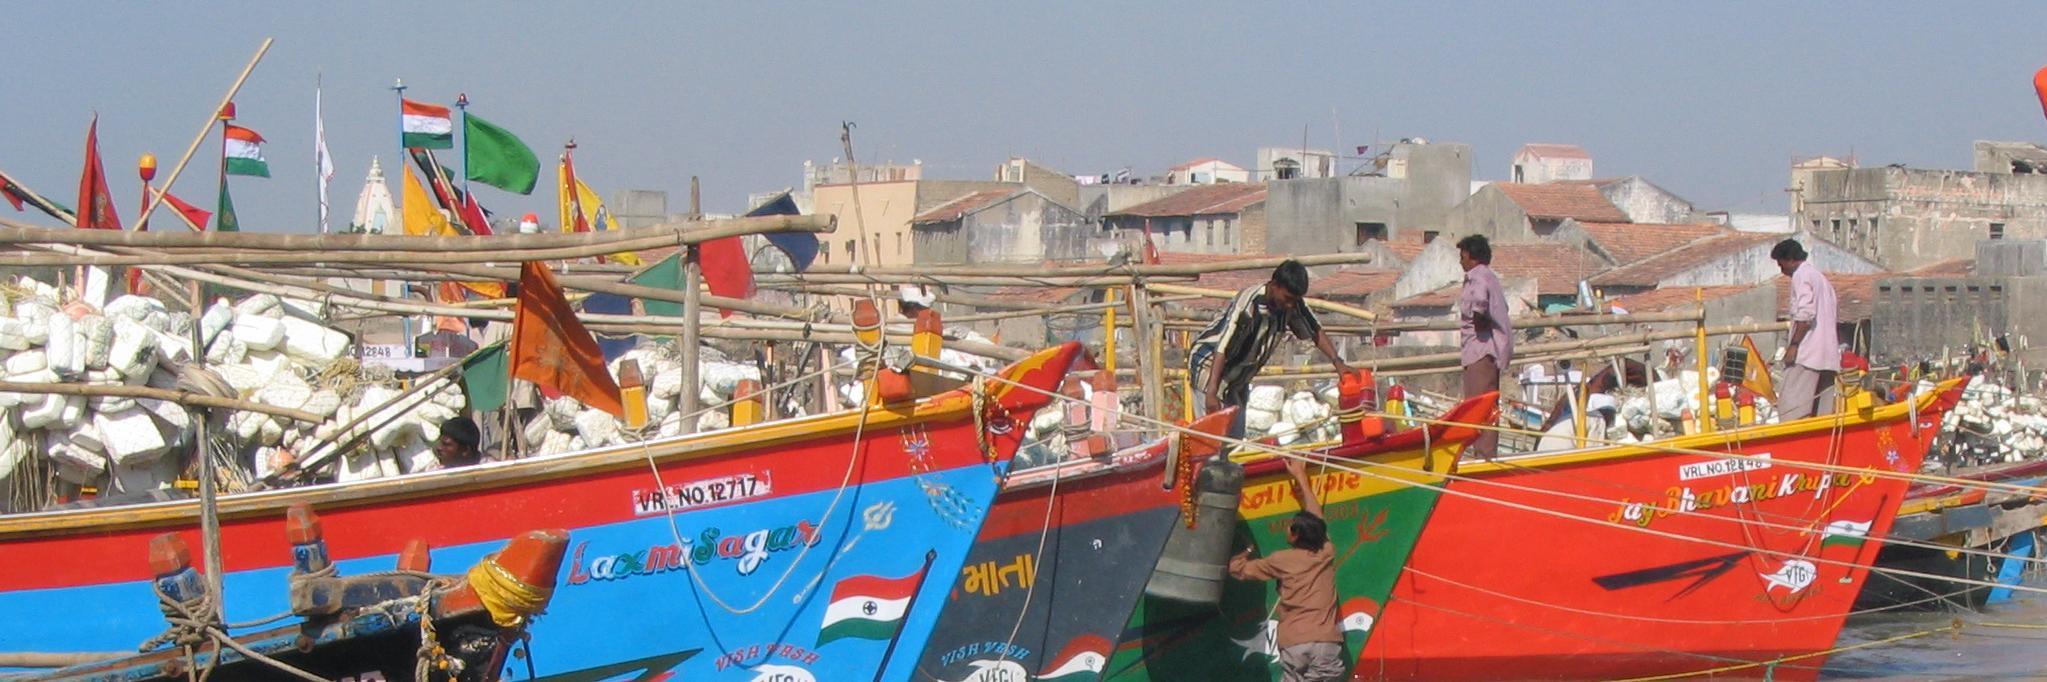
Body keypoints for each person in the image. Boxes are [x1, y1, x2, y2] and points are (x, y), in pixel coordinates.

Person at [1190, 260, 1353, 436]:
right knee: (1212, 440)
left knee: (1234, 440)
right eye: (1287, 299)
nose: (1290, 305)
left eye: (1294, 301)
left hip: (1238, 378)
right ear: (1275, 285)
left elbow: (1314, 330)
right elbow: (1222, 347)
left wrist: (1338, 362)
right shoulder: (1248, 303)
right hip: (1209, 367)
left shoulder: (1292, 304)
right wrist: (1211, 392)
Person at [1229, 457, 1343, 682]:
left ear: (1295, 536)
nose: (1288, 528)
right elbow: (1317, 519)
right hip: (1325, 642)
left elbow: (1237, 570)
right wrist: (1301, 477)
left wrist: (1246, 549)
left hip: (1293, 644)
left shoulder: (1280, 560)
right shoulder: (1326, 552)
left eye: (1291, 527)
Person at [1456, 235, 1513, 458]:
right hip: (1479, 350)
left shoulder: (1478, 276)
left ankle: (1485, 454)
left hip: (1480, 350)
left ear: (1472, 257)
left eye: (1462, 257)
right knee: (1479, 405)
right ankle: (1482, 452)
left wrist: (1476, 322)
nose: (1460, 261)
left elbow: (1479, 308)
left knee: (1480, 406)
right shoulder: (1488, 277)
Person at [1772, 239, 1839, 420]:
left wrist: (1793, 346)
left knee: (1791, 410)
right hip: (1828, 356)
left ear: (1790, 259)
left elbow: (1805, 315)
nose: (1782, 270)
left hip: (1807, 354)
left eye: (1781, 264)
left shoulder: (1801, 275)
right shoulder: (1820, 278)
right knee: (1821, 414)